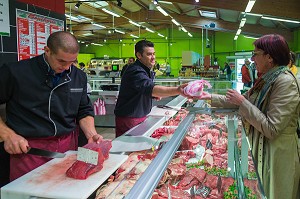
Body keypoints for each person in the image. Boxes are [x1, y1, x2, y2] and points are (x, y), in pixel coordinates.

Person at [197, 34, 300, 199]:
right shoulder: (266, 80)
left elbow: (272, 128)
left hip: (279, 154)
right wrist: (207, 97)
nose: (252, 59)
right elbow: (241, 101)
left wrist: (242, 102)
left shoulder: (285, 82)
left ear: (269, 57)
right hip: (264, 148)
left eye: (256, 53)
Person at [0, 31, 103, 181]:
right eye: (62, 61)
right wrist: (8, 135)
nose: (67, 67)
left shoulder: (78, 76)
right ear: (47, 51)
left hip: (69, 146)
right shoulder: (15, 72)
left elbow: (84, 109)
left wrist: (91, 134)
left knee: (70, 189)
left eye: (72, 61)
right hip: (30, 150)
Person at [114, 40, 188, 137]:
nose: (153, 57)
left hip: (139, 116)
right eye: (149, 54)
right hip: (130, 118)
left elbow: (141, 89)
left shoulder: (145, 69)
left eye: (154, 54)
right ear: (139, 55)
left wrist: (151, 96)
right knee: (128, 149)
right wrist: (178, 90)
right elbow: (150, 88)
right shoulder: (135, 71)